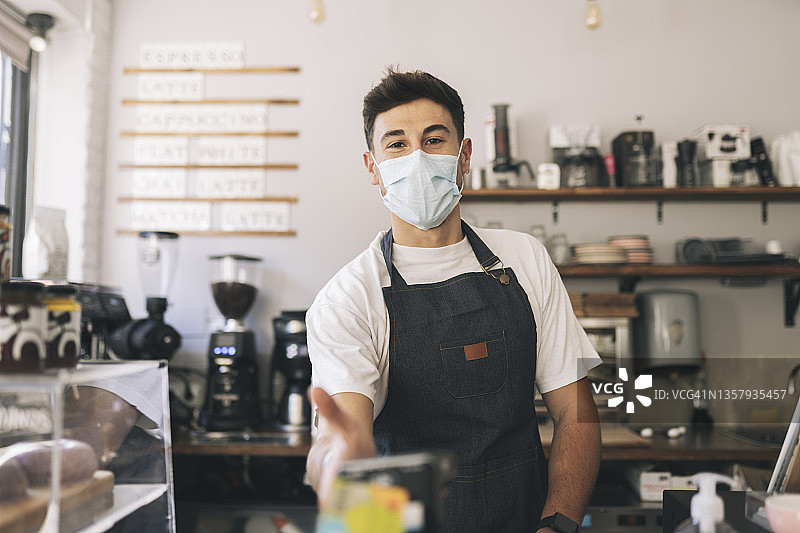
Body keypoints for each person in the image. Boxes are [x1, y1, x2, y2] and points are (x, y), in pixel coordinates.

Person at [306, 68, 602, 533]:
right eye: (397, 144)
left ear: (464, 155)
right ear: (373, 168)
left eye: (434, 139)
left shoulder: (524, 259)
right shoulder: (348, 298)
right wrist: (339, 457)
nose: (417, 158)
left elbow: (576, 410)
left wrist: (558, 524)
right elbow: (345, 433)